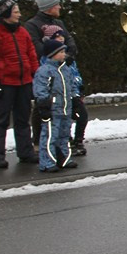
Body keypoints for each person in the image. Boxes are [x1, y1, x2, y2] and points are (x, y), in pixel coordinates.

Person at [0, 0, 39, 168]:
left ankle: (26, 152)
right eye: (16, 11)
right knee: (0, 120)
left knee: (23, 119)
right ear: (6, 14)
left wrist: (36, 75)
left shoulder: (22, 32)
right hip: (5, 83)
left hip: (24, 82)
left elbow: (31, 54)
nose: (19, 14)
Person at [24, 0, 78, 145]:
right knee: (43, 105)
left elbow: (69, 40)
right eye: (57, 5)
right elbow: (38, 48)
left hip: (63, 67)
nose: (60, 7)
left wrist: (67, 56)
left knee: (64, 103)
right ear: (49, 7)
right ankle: (39, 140)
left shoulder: (59, 23)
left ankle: (63, 137)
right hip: (45, 69)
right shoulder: (32, 25)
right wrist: (56, 55)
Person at [32, 36, 78, 172]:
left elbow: (72, 85)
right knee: (49, 136)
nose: (64, 54)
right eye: (61, 52)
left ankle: (64, 158)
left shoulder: (66, 69)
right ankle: (47, 162)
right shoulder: (44, 70)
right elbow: (41, 90)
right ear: (53, 54)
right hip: (52, 110)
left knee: (65, 135)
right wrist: (44, 106)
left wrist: (75, 99)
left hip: (65, 109)